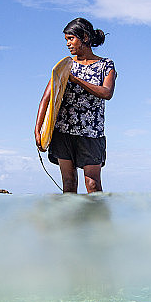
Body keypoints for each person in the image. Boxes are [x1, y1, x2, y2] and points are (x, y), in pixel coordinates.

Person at [35, 17, 116, 193]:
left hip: (91, 133)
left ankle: (98, 220)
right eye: (66, 40)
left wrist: (75, 80)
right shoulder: (65, 66)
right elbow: (46, 99)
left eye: (71, 39)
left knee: (93, 184)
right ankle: (71, 221)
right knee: (69, 183)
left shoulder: (105, 65)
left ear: (85, 37)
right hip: (63, 132)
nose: (68, 44)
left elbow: (106, 93)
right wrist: (38, 129)